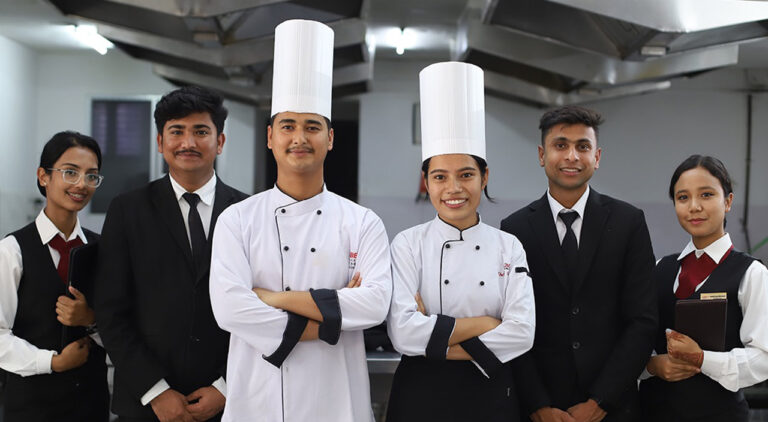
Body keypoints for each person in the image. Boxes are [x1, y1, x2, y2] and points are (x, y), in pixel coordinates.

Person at [208, 19, 392, 422]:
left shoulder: (362, 222)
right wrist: (332, 319)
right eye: (288, 126)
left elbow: (375, 304)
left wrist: (270, 298)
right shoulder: (237, 219)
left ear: (330, 138)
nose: (300, 138)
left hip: (336, 402)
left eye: (312, 127)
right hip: (258, 402)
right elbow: (230, 310)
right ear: (270, 136)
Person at [385, 61, 535, 422]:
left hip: (489, 395)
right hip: (420, 397)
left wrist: (432, 334)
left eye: (466, 175)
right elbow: (403, 335)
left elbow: (522, 333)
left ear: (485, 177)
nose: (453, 189)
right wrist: (487, 324)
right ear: (426, 181)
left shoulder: (509, 246)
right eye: (440, 177)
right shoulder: (407, 245)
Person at [95, 85, 248, 422]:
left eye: (201, 131)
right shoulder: (127, 210)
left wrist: (226, 387)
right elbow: (111, 311)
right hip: (146, 405)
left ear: (220, 141)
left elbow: (260, 310)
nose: (188, 143)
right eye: (177, 131)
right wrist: (155, 391)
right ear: (160, 141)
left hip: (229, 404)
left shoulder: (248, 212)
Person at [501, 105, 657, 422]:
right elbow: (510, 322)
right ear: (542, 154)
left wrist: (601, 401)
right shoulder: (514, 229)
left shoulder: (628, 222)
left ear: (596, 157)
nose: (572, 156)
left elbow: (643, 321)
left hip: (613, 408)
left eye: (582, 147)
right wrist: (537, 404)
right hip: (540, 409)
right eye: (561, 145)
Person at [639, 155, 768, 422]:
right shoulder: (660, 268)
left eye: (706, 195)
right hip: (653, 413)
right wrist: (651, 366)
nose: (694, 206)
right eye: (683, 197)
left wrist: (702, 359)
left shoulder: (752, 273)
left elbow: (763, 359)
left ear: (728, 202)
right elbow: (635, 338)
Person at [0, 131, 108, 422]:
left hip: (91, 406)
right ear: (43, 176)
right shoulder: (11, 251)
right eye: (70, 172)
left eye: (91, 175)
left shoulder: (104, 250)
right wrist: (53, 362)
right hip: (31, 408)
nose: (81, 184)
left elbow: (124, 325)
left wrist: (91, 319)